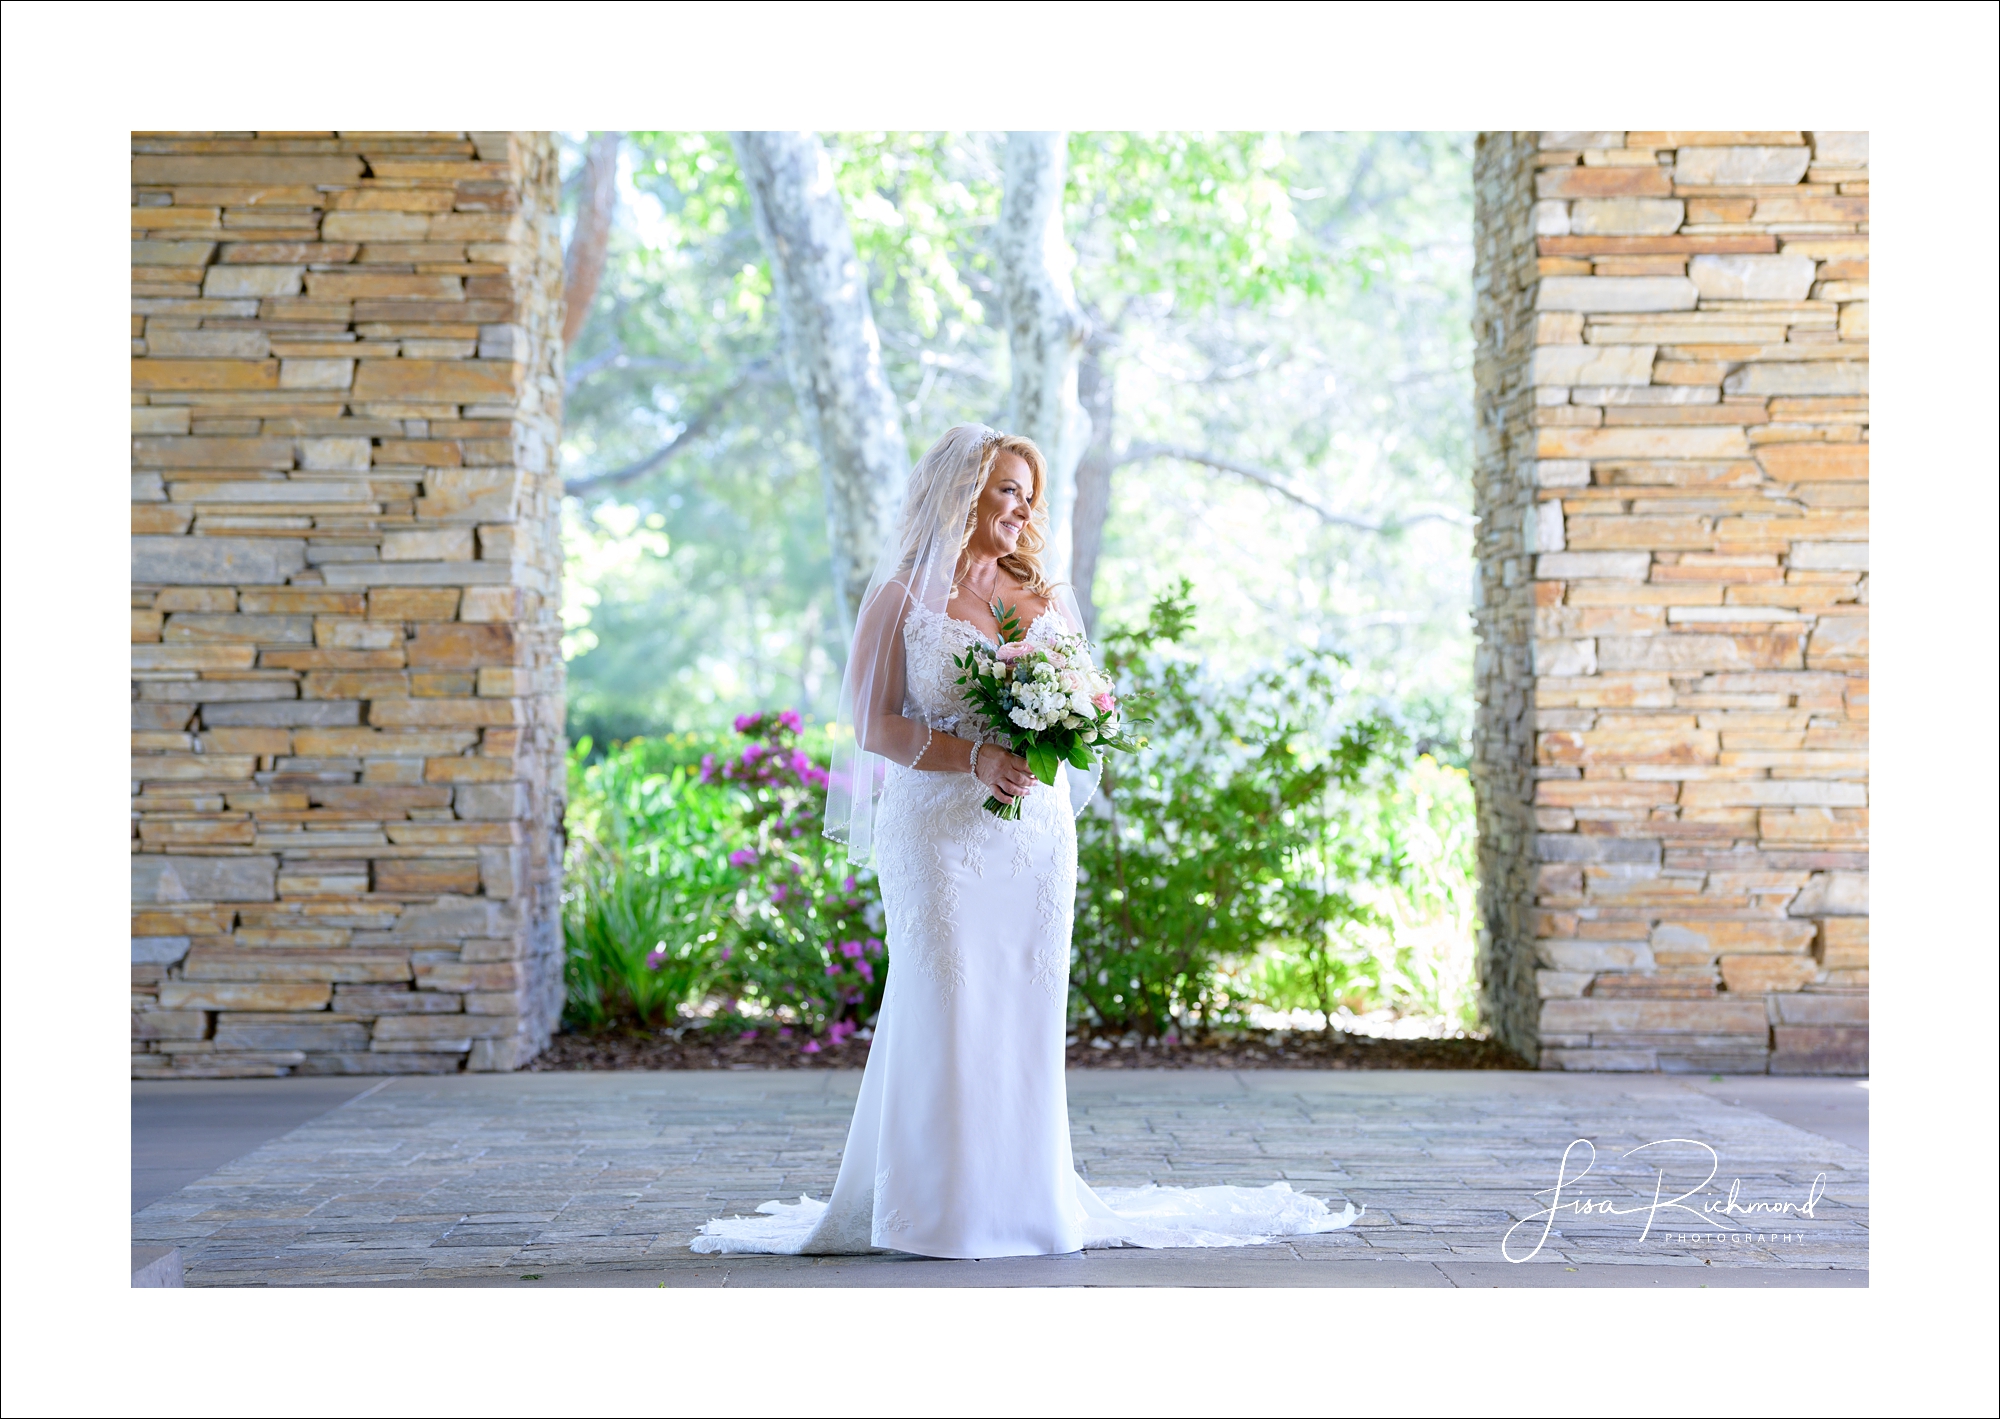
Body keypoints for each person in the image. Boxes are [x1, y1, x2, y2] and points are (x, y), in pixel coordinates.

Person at [692, 424, 1359, 1257]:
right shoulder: (900, 597)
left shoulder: (1043, 595)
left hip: (1036, 838)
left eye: (1028, 492)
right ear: (961, 492)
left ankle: (1027, 1201)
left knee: (1023, 1007)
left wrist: (1063, 727)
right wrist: (975, 753)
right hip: (937, 829)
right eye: (1008, 488)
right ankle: (936, 1208)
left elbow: (1086, 705)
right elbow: (872, 723)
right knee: (946, 999)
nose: (1024, 507)